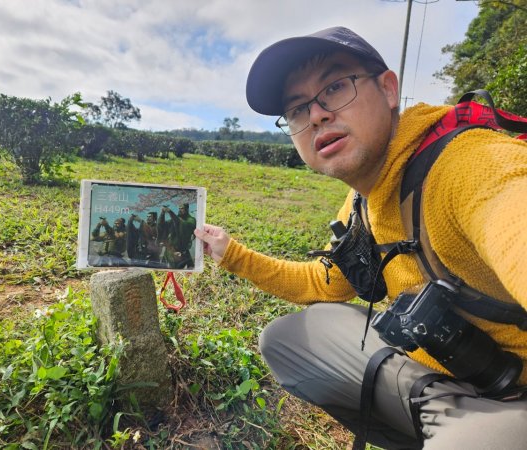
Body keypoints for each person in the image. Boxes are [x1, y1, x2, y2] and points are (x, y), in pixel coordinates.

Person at [194, 27, 527, 449]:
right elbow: (326, 283)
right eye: (297, 108)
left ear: (389, 90)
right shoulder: (361, 201)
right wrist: (232, 254)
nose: (316, 115)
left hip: (515, 401)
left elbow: (509, 207)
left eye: (334, 87)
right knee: (284, 340)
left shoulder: (470, 166)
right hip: (440, 382)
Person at [159, 203, 197, 269]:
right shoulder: (174, 219)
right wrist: (162, 214)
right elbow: (162, 225)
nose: (180, 210)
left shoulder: (191, 220)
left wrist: (170, 212)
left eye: (182, 208)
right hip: (169, 251)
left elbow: (181, 224)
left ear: (186, 209)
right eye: (179, 208)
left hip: (182, 251)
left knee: (187, 268)